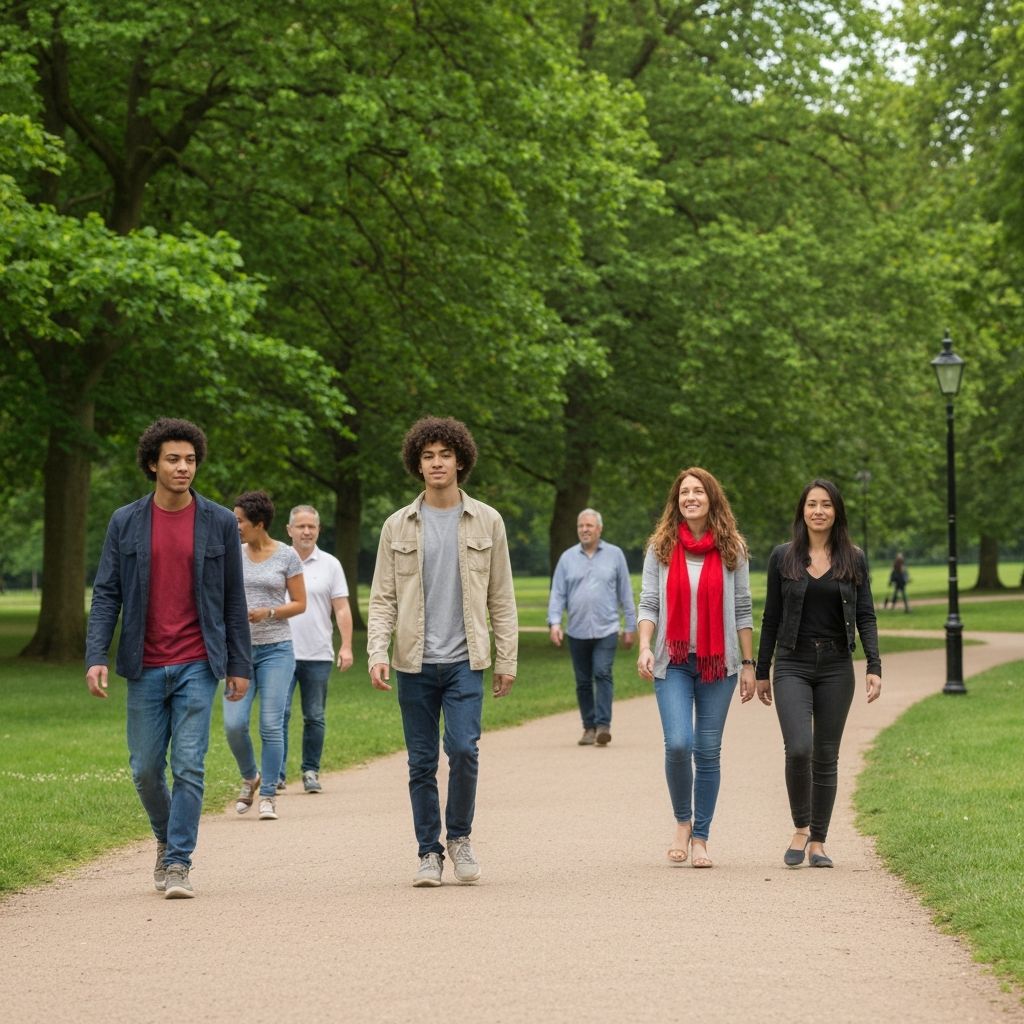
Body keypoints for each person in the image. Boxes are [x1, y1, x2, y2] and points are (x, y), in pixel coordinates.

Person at [85, 418, 251, 899]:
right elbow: (106, 593)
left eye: (191, 459)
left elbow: (233, 600)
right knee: (144, 767)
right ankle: (165, 836)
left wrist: (239, 664)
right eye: (174, 459)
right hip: (145, 663)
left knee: (190, 764)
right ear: (153, 463)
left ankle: (178, 861)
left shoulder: (219, 521)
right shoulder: (126, 520)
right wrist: (96, 654)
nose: (183, 468)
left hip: (199, 661)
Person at [367, 416, 517, 888]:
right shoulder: (397, 525)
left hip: (464, 661)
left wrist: (506, 659)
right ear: (417, 463)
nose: (436, 463)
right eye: (428, 456)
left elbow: (501, 596)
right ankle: (428, 852)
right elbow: (383, 596)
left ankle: (460, 839)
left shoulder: (487, 520)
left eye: (444, 455)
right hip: (413, 661)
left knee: (464, 750)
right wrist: (376, 649)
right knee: (421, 762)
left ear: (460, 461)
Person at [755, 479, 882, 869]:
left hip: (836, 667)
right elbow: (771, 617)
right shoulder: (783, 557)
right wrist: (762, 671)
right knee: (799, 748)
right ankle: (800, 826)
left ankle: (819, 842)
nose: (819, 511)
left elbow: (865, 614)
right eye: (812, 504)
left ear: (836, 511)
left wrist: (874, 665)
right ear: (802, 511)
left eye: (826, 504)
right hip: (792, 662)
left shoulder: (853, 558)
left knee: (826, 754)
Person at [636, 468, 756, 869]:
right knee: (679, 744)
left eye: (698, 491)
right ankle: (682, 823)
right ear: (677, 500)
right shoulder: (660, 547)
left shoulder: (731, 548)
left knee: (707, 751)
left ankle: (701, 836)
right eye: (684, 492)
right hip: (673, 661)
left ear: (711, 499)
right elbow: (649, 602)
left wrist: (749, 664)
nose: (690, 497)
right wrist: (644, 647)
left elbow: (742, 609)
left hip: (718, 665)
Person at [223, 490, 306, 821]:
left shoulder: (287, 556)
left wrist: (269, 612)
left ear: (258, 523)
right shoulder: (232, 553)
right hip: (238, 653)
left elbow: (301, 603)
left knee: (271, 725)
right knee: (233, 724)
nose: (235, 525)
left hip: (276, 651)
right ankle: (250, 776)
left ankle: (269, 793)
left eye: (240, 520)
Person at [278, 504, 355, 793]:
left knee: (314, 716)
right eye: (301, 526)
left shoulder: (331, 564)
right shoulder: (277, 559)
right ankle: (278, 773)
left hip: (318, 653)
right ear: (289, 530)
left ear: (319, 530)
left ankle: (310, 771)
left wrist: (346, 646)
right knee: (278, 715)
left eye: (312, 526)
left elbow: (342, 609)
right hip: (280, 652)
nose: (307, 531)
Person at [548, 508, 637, 746]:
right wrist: (555, 623)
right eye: (581, 526)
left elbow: (625, 593)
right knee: (583, 681)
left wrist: (630, 627)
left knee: (602, 672)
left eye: (589, 526)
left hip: (607, 629)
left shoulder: (615, 555)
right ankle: (589, 727)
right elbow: (557, 594)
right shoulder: (567, 558)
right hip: (577, 631)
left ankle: (603, 726)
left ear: (599, 529)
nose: (584, 530)